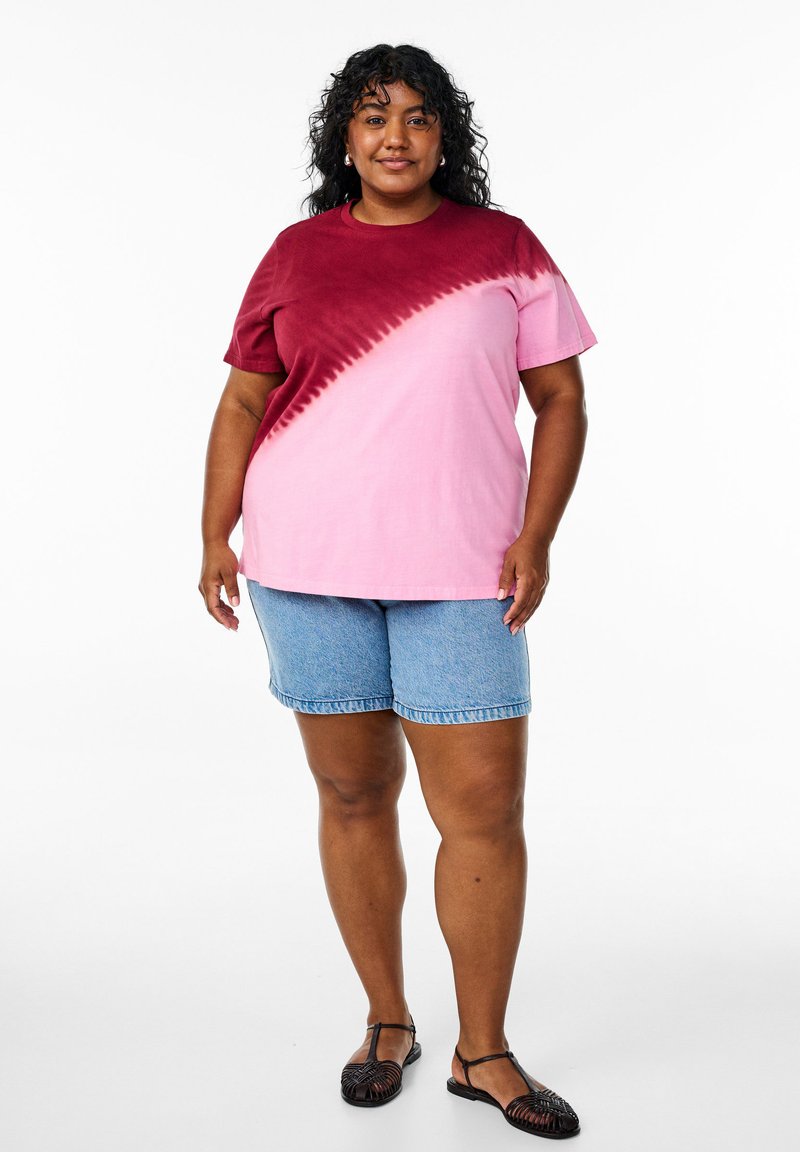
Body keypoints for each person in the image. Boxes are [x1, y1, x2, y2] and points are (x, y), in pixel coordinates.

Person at [199, 43, 596, 1140]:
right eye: (373, 115)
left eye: (418, 117)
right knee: (352, 794)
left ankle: (483, 1051)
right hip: (306, 566)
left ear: (442, 137)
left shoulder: (501, 247)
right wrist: (213, 533)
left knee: (483, 812)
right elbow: (242, 403)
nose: (395, 136)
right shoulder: (295, 253)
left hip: (463, 572)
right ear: (344, 137)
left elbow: (561, 399)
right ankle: (387, 1020)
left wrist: (537, 537)